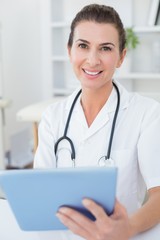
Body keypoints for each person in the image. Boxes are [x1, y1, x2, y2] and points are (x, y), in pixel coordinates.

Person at [34, 4, 160, 240]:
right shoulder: (53, 117)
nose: (92, 60)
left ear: (121, 57)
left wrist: (128, 227)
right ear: (70, 50)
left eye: (105, 48)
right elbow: (40, 191)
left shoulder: (147, 113)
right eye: (83, 46)